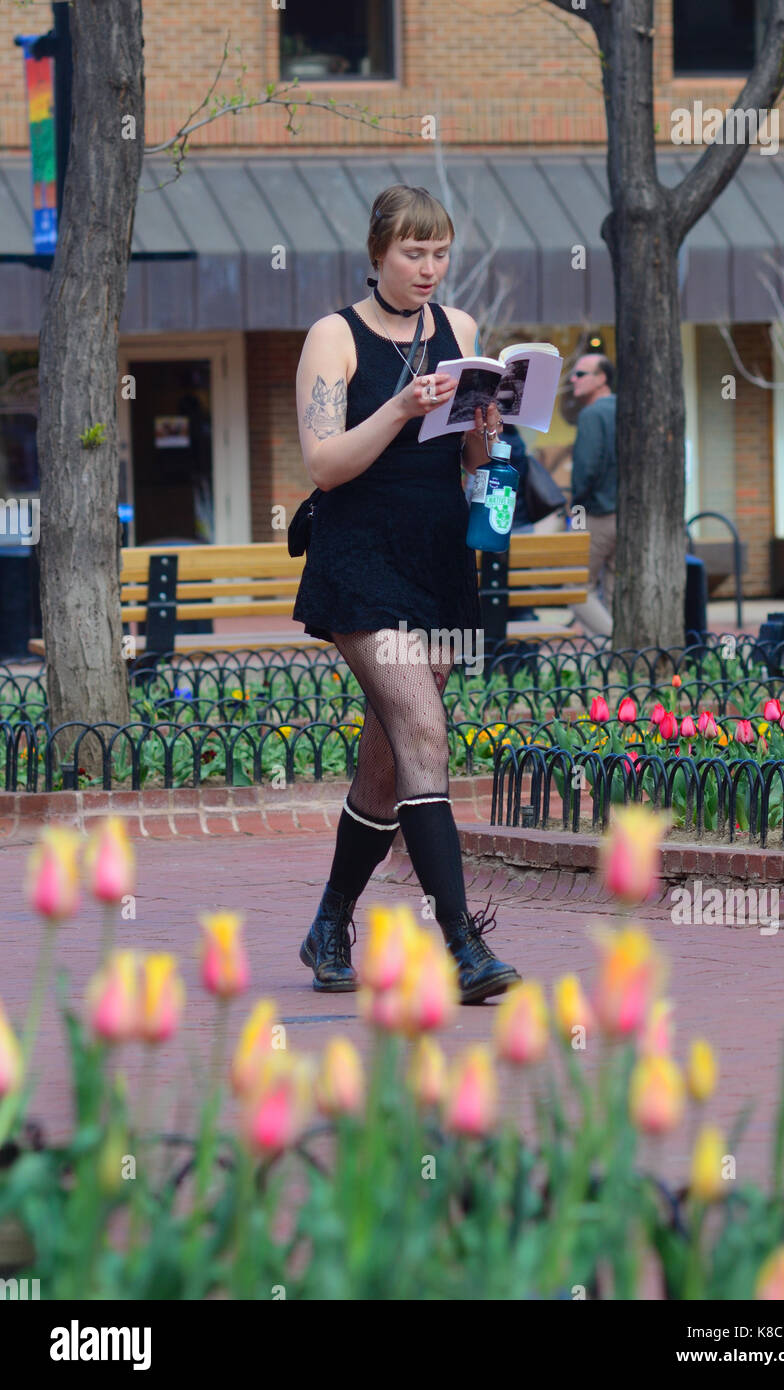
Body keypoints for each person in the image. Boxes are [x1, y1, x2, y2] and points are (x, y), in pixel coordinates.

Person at [292, 184, 521, 1004]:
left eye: (438, 253)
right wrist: (397, 406)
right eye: (412, 254)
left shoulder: (457, 331)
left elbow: (461, 464)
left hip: (436, 563)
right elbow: (323, 464)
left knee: (389, 766)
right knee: (425, 732)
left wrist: (484, 435)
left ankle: (329, 923)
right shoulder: (335, 336)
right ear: (377, 255)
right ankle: (462, 946)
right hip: (359, 563)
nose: (427, 269)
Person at [566, 353, 617, 637]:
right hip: (630, 517)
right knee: (614, 590)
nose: (573, 379)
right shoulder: (630, 408)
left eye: (581, 374)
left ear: (602, 378)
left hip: (596, 515)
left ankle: (614, 648)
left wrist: (576, 506)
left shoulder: (592, 414)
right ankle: (622, 663)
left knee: (574, 587)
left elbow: (586, 468)